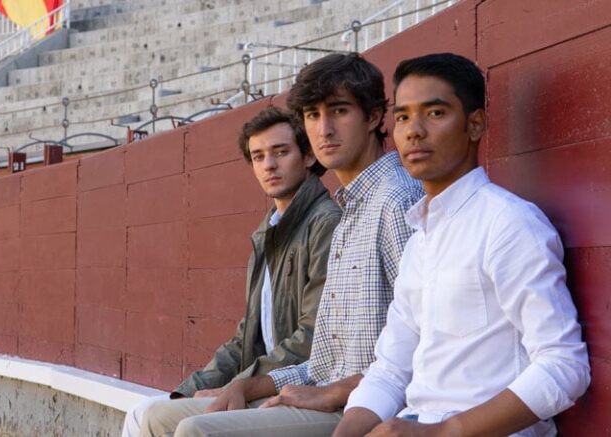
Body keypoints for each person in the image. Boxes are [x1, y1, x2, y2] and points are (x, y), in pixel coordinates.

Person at [141, 53, 423, 437]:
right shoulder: (349, 210)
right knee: (157, 417)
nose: (324, 129)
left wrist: (330, 391)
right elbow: (324, 361)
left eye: (338, 111)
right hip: (324, 393)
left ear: (374, 117)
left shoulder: (397, 202)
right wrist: (247, 384)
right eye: (311, 116)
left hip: (366, 408)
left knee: (197, 430)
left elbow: (426, 345)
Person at [333, 52, 591, 437]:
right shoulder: (420, 240)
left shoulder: (507, 223)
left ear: (474, 125)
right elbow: (389, 371)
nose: (413, 131)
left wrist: (442, 433)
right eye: (403, 116)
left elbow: (564, 366)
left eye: (435, 113)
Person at [121, 107, 341, 436]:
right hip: (265, 387)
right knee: (146, 412)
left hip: (305, 388)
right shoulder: (267, 233)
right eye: (258, 156)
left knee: (187, 426)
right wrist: (190, 389)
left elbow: (312, 336)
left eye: (281, 152)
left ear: (308, 156)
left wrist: (240, 386)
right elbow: (244, 339)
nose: (269, 165)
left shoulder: (325, 223)